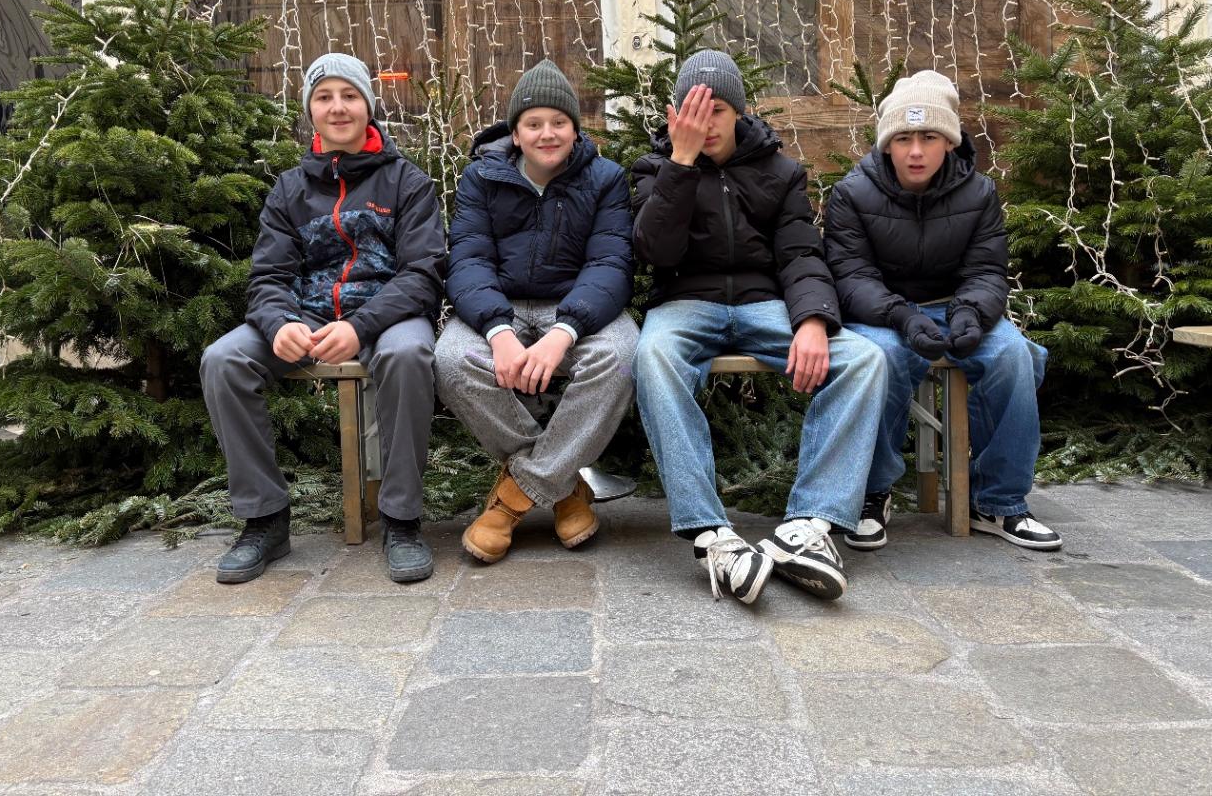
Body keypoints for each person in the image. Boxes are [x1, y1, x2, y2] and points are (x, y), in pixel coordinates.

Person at [631, 49, 886, 605]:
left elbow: (800, 254)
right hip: (684, 302)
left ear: (740, 113)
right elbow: (655, 252)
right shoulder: (656, 168)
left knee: (864, 359)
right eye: (694, 111)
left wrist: (813, 320)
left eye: (718, 110)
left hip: (764, 304)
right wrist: (680, 162)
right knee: (652, 356)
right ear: (676, 115)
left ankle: (808, 526)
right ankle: (710, 534)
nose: (706, 123)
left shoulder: (780, 171)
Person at [201, 53, 447, 584]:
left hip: (388, 316)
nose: (338, 108)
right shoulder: (289, 190)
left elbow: (423, 274)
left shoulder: (407, 183)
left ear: (368, 106)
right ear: (310, 110)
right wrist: (279, 324)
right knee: (223, 360)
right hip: (306, 315)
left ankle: (402, 519)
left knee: (408, 354)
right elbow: (267, 276)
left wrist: (360, 326)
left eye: (349, 96)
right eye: (324, 97)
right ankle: (265, 519)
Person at [823, 69, 1061, 551]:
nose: (916, 151)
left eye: (929, 137)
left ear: (949, 142)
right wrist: (902, 317)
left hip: (956, 307)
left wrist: (971, 314)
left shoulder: (980, 193)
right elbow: (850, 276)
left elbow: (987, 270)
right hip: (883, 316)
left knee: (1012, 356)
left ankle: (998, 501)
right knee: (882, 358)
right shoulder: (852, 194)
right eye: (903, 138)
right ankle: (872, 493)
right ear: (887, 144)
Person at [435, 59, 638, 563]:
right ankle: (565, 488)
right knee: (453, 360)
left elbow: (610, 264)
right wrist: (498, 331)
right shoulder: (481, 178)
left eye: (559, 122)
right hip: (499, 307)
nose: (547, 134)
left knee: (622, 356)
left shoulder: (605, 178)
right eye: (533, 123)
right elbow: (468, 260)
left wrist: (565, 331)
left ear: (575, 128)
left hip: (576, 308)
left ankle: (513, 497)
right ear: (516, 132)